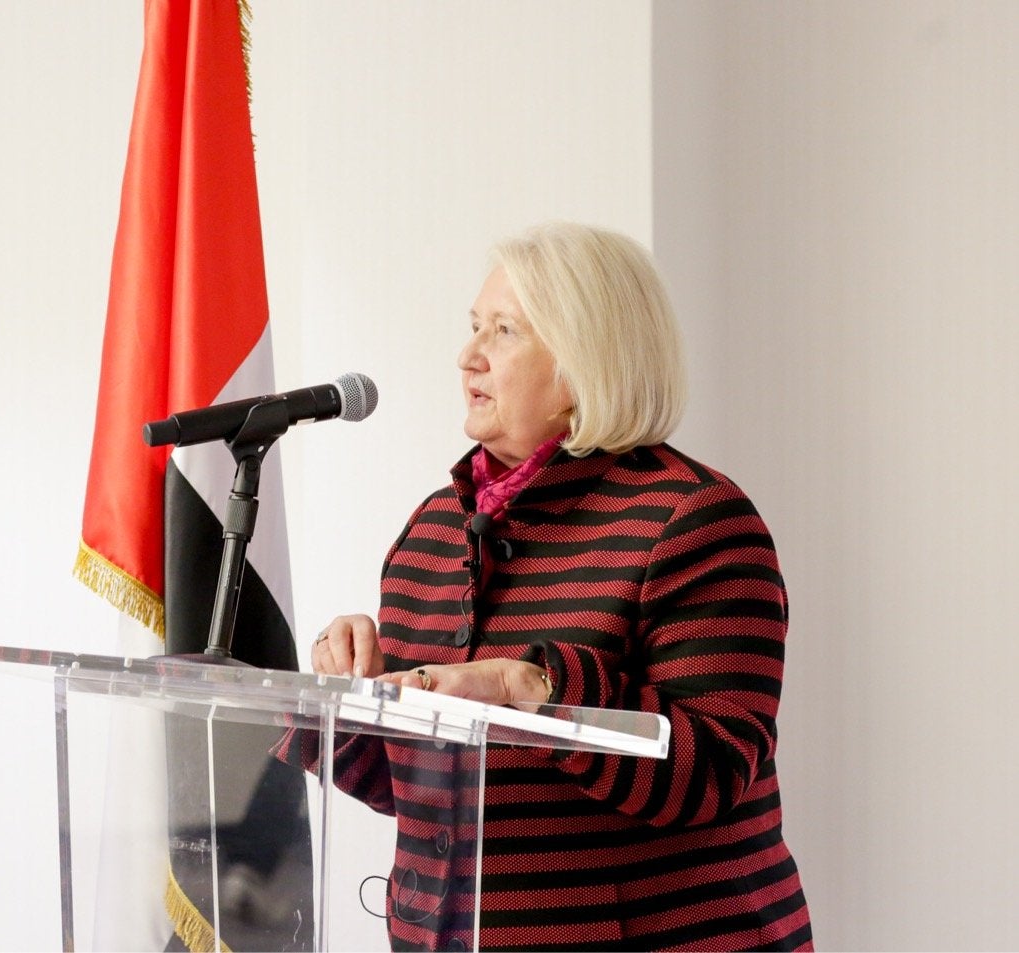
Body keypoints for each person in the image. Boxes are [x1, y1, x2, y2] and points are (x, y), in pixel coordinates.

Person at [279, 222, 813, 951]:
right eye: (474, 327)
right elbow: (417, 792)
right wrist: (352, 701)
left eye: (503, 331)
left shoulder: (694, 520)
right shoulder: (434, 531)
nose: (468, 355)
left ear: (583, 361)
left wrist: (527, 685)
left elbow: (712, 769)